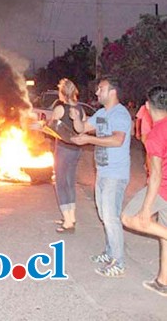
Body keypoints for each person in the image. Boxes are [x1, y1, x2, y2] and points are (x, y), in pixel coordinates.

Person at [70, 76, 131, 278]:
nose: (97, 93)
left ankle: (119, 262)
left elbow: (117, 140)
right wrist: (76, 118)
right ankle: (110, 253)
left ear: (112, 92)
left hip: (115, 174)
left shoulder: (120, 114)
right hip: (103, 171)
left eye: (101, 89)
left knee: (111, 217)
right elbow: (82, 128)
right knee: (105, 215)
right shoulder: (101, 113)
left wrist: (88, 139)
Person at [122, 86, 167, 297]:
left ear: (147, 106)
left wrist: (146, 209)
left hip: (163, 189)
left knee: (129, 217)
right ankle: (163, 282)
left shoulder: (156, 133)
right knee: (163, 236)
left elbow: (156, 175)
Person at [49, 78, 86, 233]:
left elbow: (51, 126)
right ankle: (71, 217)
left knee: (61, 183)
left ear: (62, 93)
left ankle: (68, 223)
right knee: (70, 182)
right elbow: (82, 129)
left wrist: (42, 127)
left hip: (64, 149)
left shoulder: (60, 108)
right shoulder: (81, 109)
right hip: (76, 150)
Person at [135, 102, 153, 175]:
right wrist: (137, 132)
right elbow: (138, 120)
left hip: (155, 132)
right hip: (145, 133)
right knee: (149, 152)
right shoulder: (144, 108)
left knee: (151, 153)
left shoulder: (157, 107)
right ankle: (149, 171)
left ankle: (149, 168)